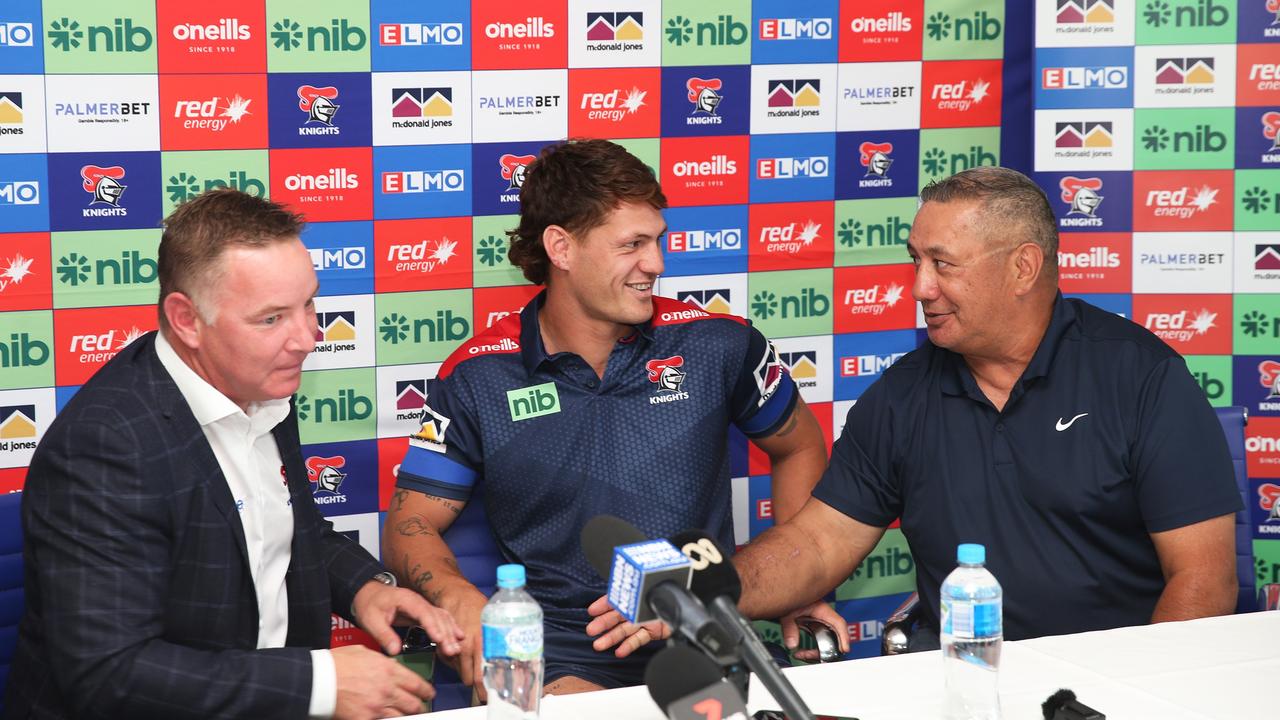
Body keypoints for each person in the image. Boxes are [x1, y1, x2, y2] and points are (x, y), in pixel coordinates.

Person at [592, 166, 1243, 657]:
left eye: (942, 264)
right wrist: (697, 589)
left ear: (1023, 268)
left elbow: (1203, 582)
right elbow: (816, 545)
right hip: (956, 683)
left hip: (1105, 688)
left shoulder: (1141, 376)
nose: (919, 287)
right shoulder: (901, 396)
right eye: (914, 260)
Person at [384, 139, 828, 694]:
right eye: (633, 245)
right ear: (561, 248)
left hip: (705, 634)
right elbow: (410, 523)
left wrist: (803, 585)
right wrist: (461, 600)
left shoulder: (718, 345)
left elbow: (801, 447)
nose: (657, 265)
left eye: (658, 241)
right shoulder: (479, 376)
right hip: (564, 657)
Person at [4, 189, 464, 720]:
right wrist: (319, 683)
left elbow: (288, 528)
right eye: (271, 319)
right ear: (186, 320)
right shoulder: (104, 448)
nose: (308, 338)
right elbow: (109, 674)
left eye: (309, 304)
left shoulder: (261, 383)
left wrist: (365, 589)